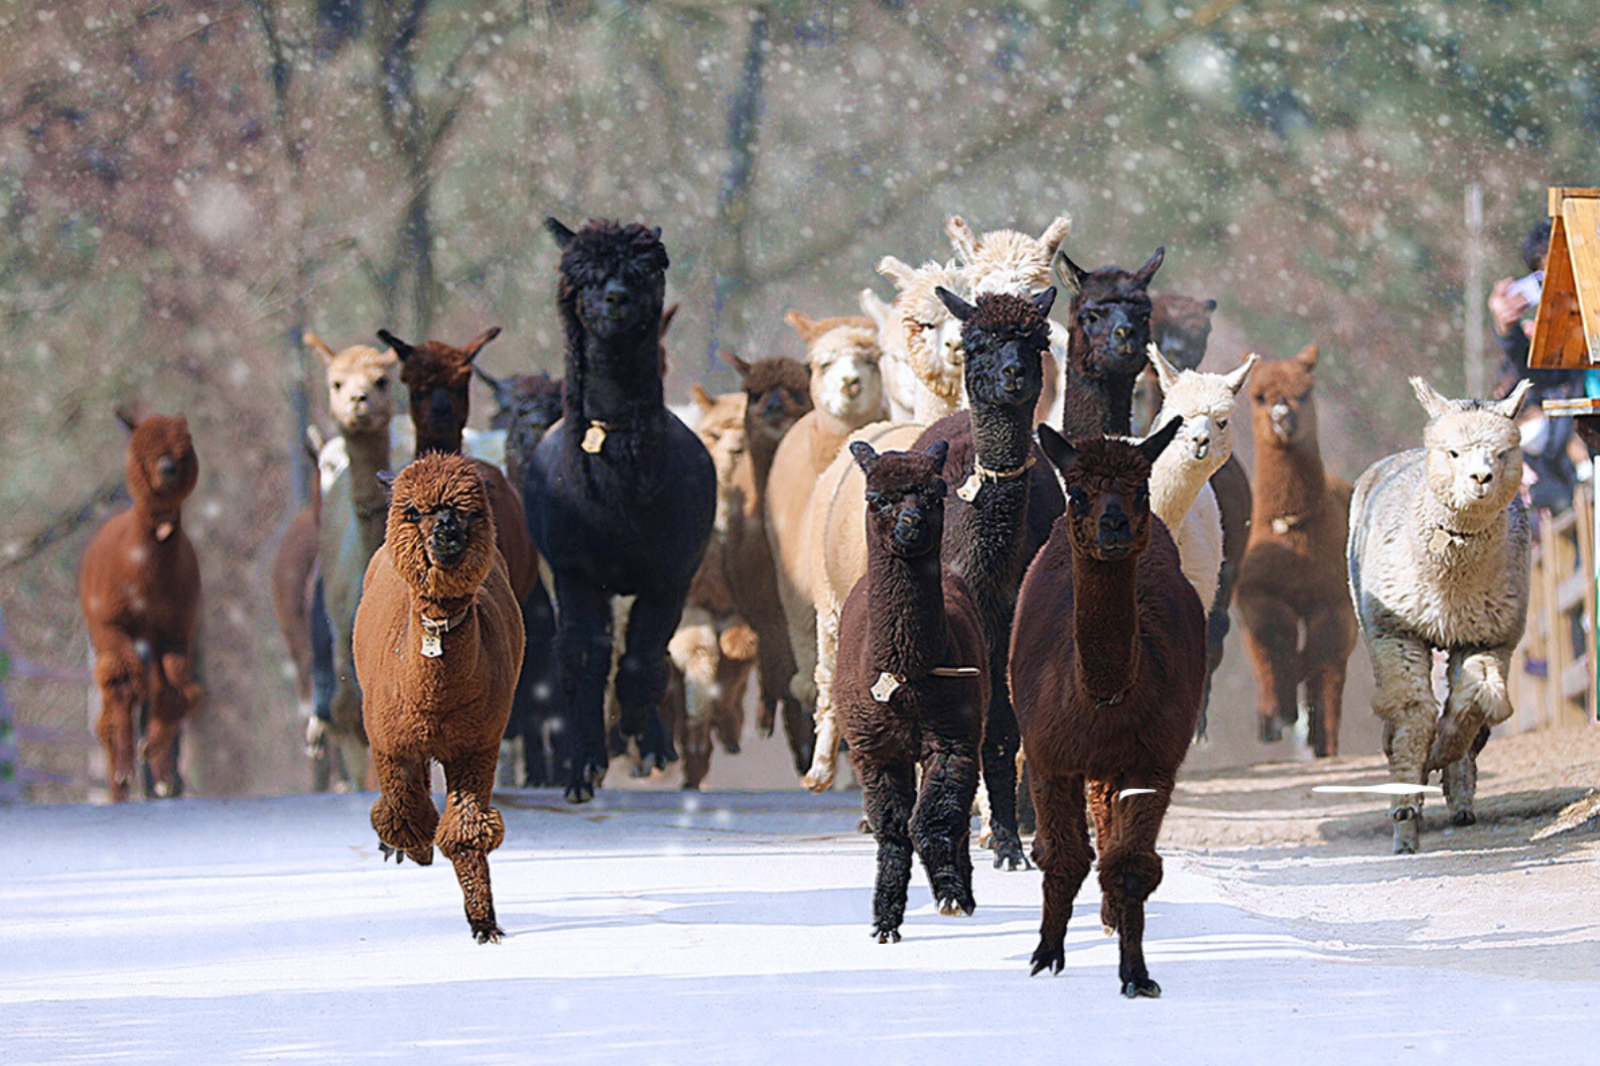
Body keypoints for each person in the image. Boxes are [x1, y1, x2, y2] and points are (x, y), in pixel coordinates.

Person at [1489, 218, 1581, 513]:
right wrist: (1509, 333)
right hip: (1565, 496)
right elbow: (1539, 375)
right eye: (1551, 283)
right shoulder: (1552, 343)